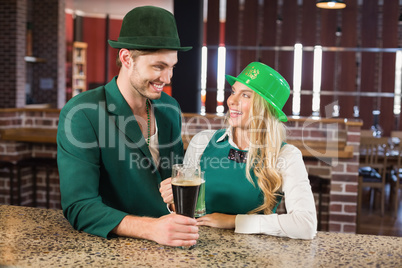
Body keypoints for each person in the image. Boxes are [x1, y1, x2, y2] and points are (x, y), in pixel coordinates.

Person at [57, 6, 199, 247]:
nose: (167, 78)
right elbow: (79, 206)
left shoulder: (170, 108)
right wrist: (151, 228)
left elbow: (172, 181)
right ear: (126, 59)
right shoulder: (81, 113)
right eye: (158, 66)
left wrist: (176, 199)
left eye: (172, 67)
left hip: (170, 242)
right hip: (110, 247)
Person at [160, 62, 317, 240]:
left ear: (265, 109)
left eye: (245, 95)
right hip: (196, 248)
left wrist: (235, 221)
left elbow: (306, 225)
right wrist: (174, 203)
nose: (232, 101)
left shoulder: (286, 156)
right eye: (234, 91)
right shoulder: (202, 141)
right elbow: (185, 214)